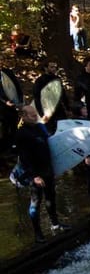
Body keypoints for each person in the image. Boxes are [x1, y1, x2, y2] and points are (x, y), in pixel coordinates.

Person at [13, 104, 69, 243]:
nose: (34, 116)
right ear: (23, 116)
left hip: (47, 169)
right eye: (31, 115)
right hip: (34, 172)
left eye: (35, 114)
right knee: (36, 201)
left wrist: (56, 167)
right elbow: (24, 158)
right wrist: (34, 176)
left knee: (51, 197)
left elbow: (51, 144)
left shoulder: (39, 127)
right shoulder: (22, 133)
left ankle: (55, 224)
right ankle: (38, 233)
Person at [32, 59, 70, 132]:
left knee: (63, 130)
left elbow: (63, 94)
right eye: (52, 67)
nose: (54, 69)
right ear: (46, 68)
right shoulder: (40, 81)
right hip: (47, 110)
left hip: (59, 109)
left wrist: (67, 107)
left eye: (55, 67)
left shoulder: (57, 79)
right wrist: (42, 114)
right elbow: (37, 98)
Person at [0, 66, 22, 153]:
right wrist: (5, 102)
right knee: (4, 128)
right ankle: (4, 149)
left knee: (13, 127)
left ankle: (13, 147)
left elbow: (17, 86)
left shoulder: (7, 72)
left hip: (13, 106)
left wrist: (20, 100)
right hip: (2, 108)